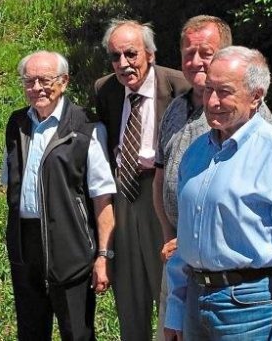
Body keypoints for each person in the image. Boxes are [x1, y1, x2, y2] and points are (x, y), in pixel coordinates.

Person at [163, 46, 272, 341]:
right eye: (208, 89)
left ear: (256, 96)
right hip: (195, 303)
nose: (212, 101)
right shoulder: (196, 152)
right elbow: (185, 241)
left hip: (251, 309)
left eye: (224, 91)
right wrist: (175, 308)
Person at [151, 15, 272, 340]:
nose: (195, 61)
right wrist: (170, 236)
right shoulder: (175, 109)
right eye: (188, 53)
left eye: (206, 52)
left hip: (231, 279)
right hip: (179, 261)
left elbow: (257, 199)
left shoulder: (249, 113)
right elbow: (160, 178)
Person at [1, 51, 117, 341]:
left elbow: (102, 198)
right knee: (30, 331)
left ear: (63, 82)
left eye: (45, 80)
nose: (37, 88)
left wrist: (103, 255)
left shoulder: (86, 126)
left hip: (70, 244)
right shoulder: (17, 124)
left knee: (76, 332)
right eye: (29, 81)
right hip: (26, 245)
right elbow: (10, 183)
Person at [91, 19, 189, 341]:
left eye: (131, 54)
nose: (123, 64)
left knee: (167, 283)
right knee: (128, 292)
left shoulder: (179, 87)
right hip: (123, 193)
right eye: (116, 57)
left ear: (150, 53)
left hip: (159, 195)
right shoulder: (105, 89)